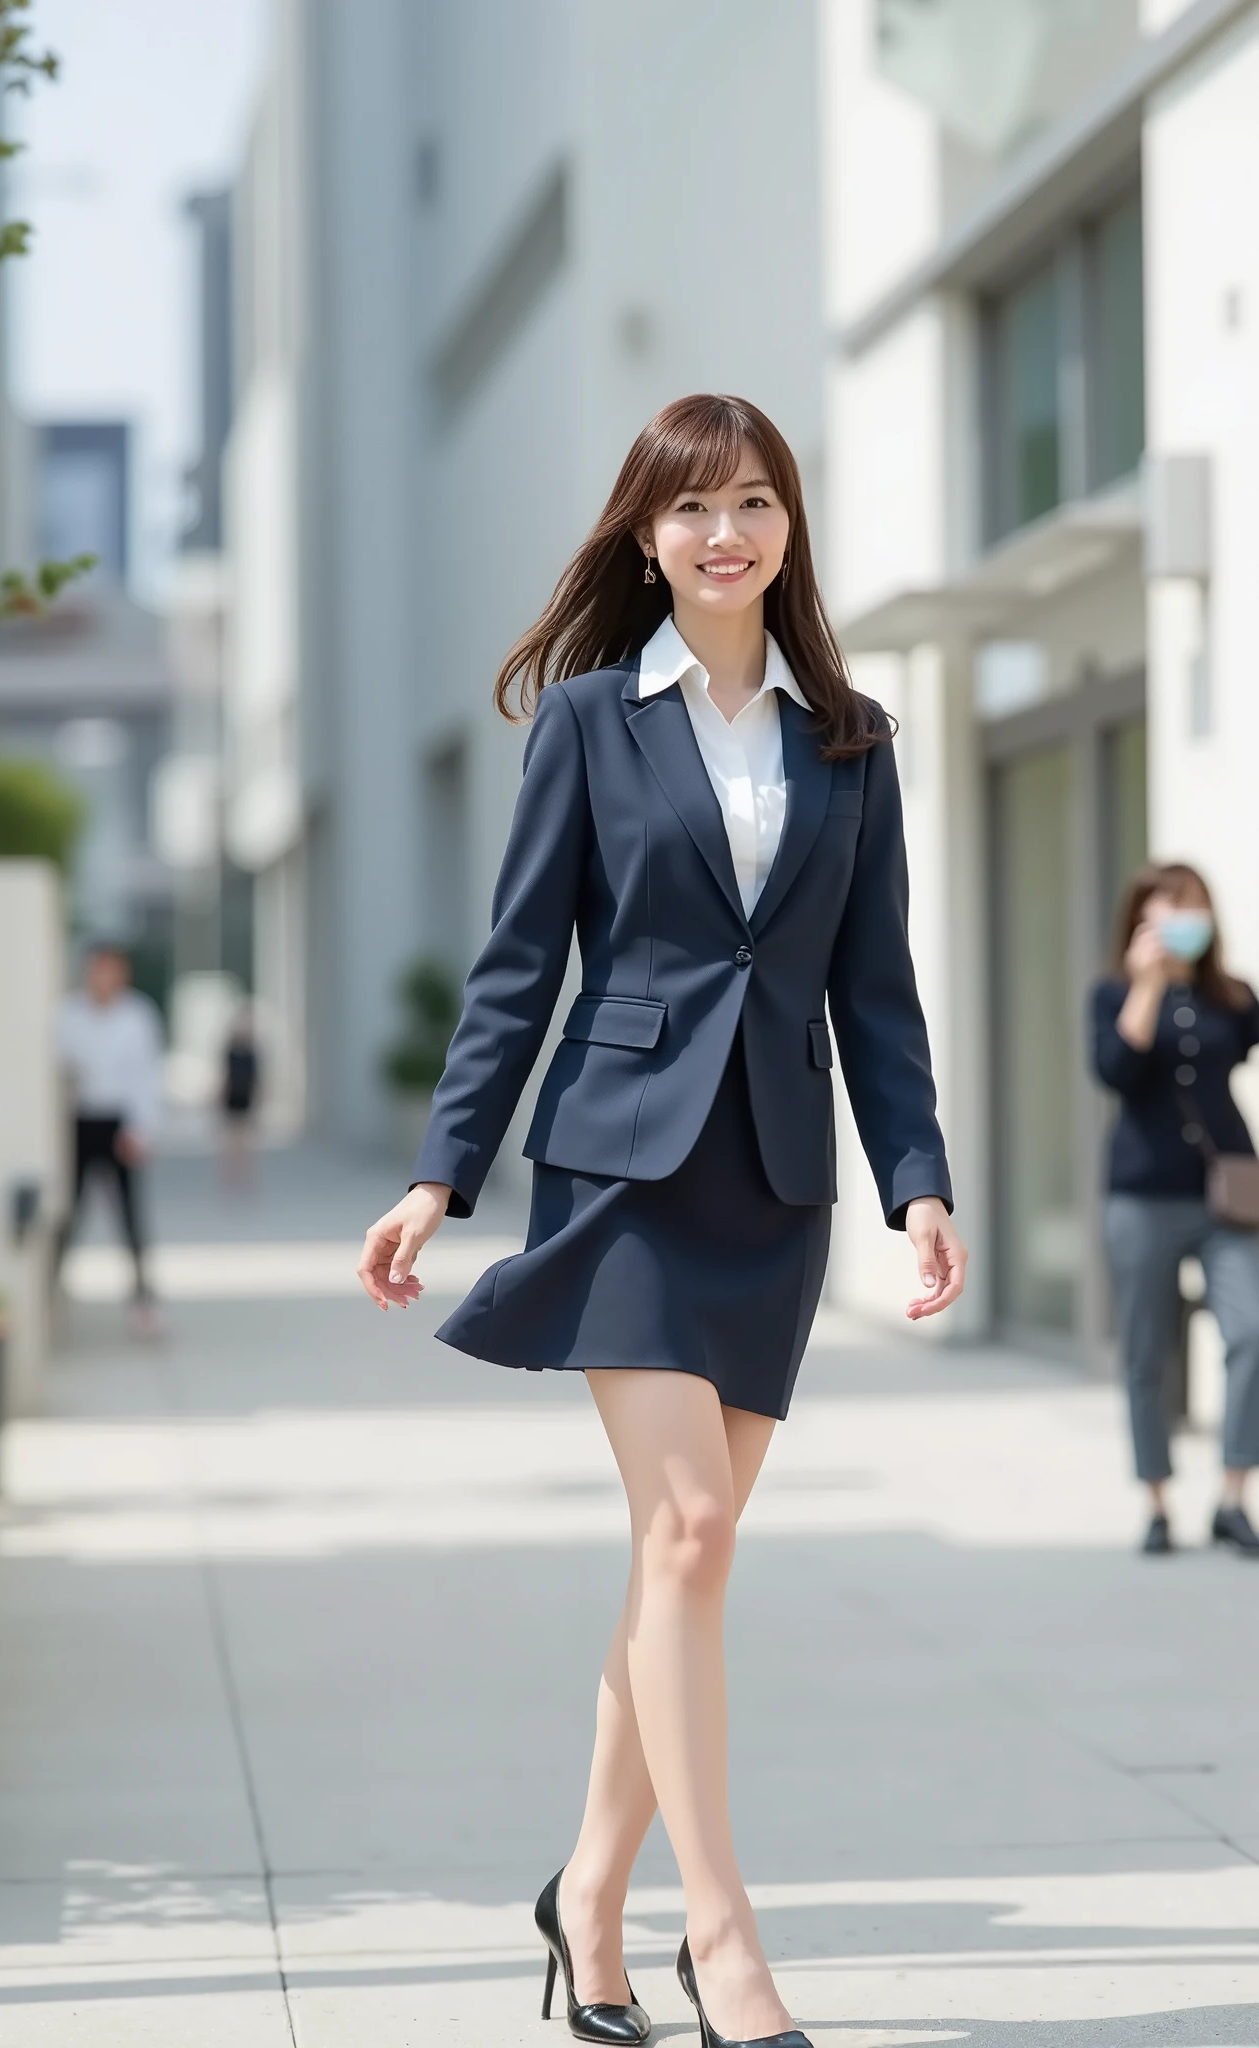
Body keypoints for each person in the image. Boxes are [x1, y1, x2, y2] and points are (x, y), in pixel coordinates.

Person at [357, 394, 966, 2048]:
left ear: (788, 530)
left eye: (755, 500)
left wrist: (918, 1179)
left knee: (672, 1566)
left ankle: (585, 1897)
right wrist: (441, 1171)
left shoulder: (850, 735)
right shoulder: (587, 725)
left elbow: (875, 986)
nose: (725, 531)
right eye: (692, 507)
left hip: (770, 1180)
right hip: (620, 1168)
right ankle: (726, 1932)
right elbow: (515, 965)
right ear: (645, 536)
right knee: (690, 1535)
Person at [1091, 862, 1259, 1557]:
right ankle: (1157, 1501)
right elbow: (1113, 1071)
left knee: (1252, 1332)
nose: (1182, 924)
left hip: (1229, 1197)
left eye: (1192, 909)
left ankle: (1232, 1497)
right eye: (1165, 913)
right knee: (1146, 1352)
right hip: (1142, 1195)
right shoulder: (1114, 995)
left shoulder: (1234, 996)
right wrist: (1149, 983)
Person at [57, 942, 164, 1337]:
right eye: (98, 969)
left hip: (120, 1124)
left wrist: (142, 1130)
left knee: (130, 1218)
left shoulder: (138, 1017)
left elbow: (147, 1077)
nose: (104, 977)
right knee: (67, 1214)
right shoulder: (68, 1015)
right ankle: (52, 1299)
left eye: (111, 969)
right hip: (79, 1123)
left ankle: (143, 1302)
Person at [219, 1008, 262, 1185]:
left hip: (246, 1097)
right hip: (232, 1097)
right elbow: (225, 1076)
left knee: (245, 1140)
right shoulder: (230, 1051)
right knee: (231, 1139)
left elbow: (257, 1078)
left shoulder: (252, 1052)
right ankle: (231, 1176)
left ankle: (245, 1176)